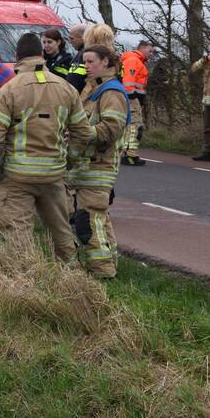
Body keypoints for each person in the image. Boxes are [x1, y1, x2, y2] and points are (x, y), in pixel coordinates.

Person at [0, 33, 95, 263]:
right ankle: (71, 278)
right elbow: (82, 133)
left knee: (18, 234)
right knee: (61, 231)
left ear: (17, 57)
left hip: (17, 177)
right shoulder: (66, 88)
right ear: (42, 54)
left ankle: (26, 282)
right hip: (54, 176)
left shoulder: (8, 90)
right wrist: (69, 161)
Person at [66, 45, 130, 278]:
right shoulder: (95, 89)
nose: (86, 67)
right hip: (87, 165)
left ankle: (101, 272)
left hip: (98, 165)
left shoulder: (111, 92)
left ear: (105, 62)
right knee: (99, 219)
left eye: (91, 61)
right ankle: (109, 264)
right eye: (84, 62)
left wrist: (81, 133)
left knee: (88, 220)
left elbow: (111, 128)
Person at [120, 41, 152, 166]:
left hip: (133, 99)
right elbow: (128, 81)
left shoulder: (137, 61)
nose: (151, 54)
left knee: (132, 126)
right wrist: (134, 98)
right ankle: (130, 155)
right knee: (135, 126)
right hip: (131, 99)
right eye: (150, 51)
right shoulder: (134, 60)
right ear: (142, 49)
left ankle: (128, 153)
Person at [65, 23, 89, 93]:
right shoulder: (84, 53)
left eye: (72, 39)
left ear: (83, 38)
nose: (70, 42)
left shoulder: (84, 55)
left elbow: (74, 80)